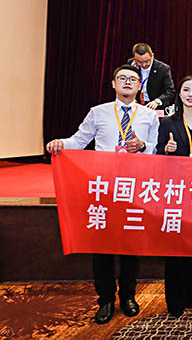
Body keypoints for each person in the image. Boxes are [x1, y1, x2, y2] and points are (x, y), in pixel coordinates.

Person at [46, 64, 159, 324]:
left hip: (134, 188)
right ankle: (105, 299)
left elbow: (156, 150)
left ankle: (128, 296)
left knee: (131, 246)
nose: (127, 82)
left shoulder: (148, 115)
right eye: (122, 78)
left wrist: (143, 145)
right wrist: (61, 143)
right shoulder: (98, 112)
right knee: (102, 247)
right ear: (113, 84)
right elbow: (78, 141)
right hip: (104, 188)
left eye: (133, 79)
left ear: (139, 86)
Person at [156, 76, 192, 318]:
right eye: (186, 90)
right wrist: (166, 150)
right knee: (174, 246)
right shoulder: (168, 123)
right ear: (179, 94)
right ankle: (173, 300)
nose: (190, 94)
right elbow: (157, 153)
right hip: (175, 191)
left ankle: (189, 295)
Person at [128, 42, 175, 110]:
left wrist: (157, 101)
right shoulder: (131, 64)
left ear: (152, 56)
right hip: (136, 105)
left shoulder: (163, 68)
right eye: (139, 62)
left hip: (155, 106)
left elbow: (170, 91)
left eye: (147, 61)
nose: (144, 65)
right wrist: (132, 71)